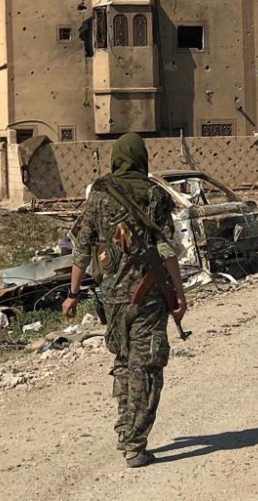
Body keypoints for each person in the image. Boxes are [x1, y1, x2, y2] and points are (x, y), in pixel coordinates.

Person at [62, 133, 188, 468]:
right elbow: (166, 250)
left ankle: (124, 430)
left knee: (123, 361)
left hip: (112, 300)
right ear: (141, 158)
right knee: (146, 367)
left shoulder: (99, 194)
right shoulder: (155, 196)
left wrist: (73, 294)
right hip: (148, 297)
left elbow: (81, 249)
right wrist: (179, 294)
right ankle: (135, 444)